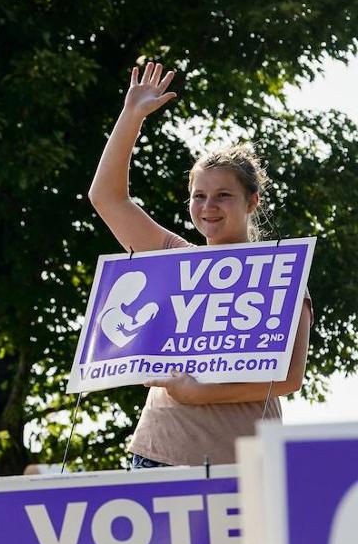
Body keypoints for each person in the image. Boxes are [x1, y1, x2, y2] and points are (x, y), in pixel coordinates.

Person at [89, 62, 313, 467]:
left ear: (252, 201)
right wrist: (132, 116)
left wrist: (199, 393)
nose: (209, 206)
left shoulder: (280, 273)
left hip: (244, 462)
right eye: (199, 196)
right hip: (157, 455)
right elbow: (107, 198)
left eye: (223, 195)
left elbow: (288, 378)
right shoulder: (174, 258)